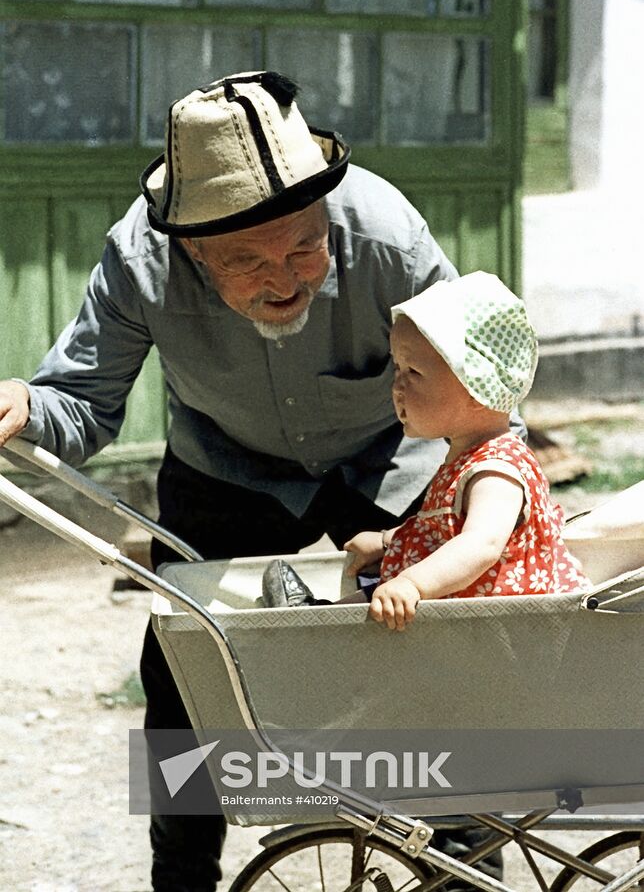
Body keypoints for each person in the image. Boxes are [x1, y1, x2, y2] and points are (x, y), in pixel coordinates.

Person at [0, 71, 521, 891]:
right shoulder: (140, 259)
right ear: (193, 251)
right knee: (181, 686)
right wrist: (22, 405)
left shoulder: (385, 233)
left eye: (306, 247)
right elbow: (78, 404)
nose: (286, 278)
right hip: (227, 466)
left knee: (440, 655)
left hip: (386, 458)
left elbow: (481, 384)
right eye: (249, 260)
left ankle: (460, 858)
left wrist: (499, 497)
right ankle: (180, 870)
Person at [263, 272, 590, 630]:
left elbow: (481, 543)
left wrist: (412, 582)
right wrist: (390, 540)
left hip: (498, 629)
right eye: (397, 368)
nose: (397, 386)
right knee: (372, 602)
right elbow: (442, 528)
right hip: (461, 618)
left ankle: (312, 625)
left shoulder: (496, 469)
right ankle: (315, 619)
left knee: (377, 606)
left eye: (414, 372)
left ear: (477, 388)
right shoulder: (467, 457)